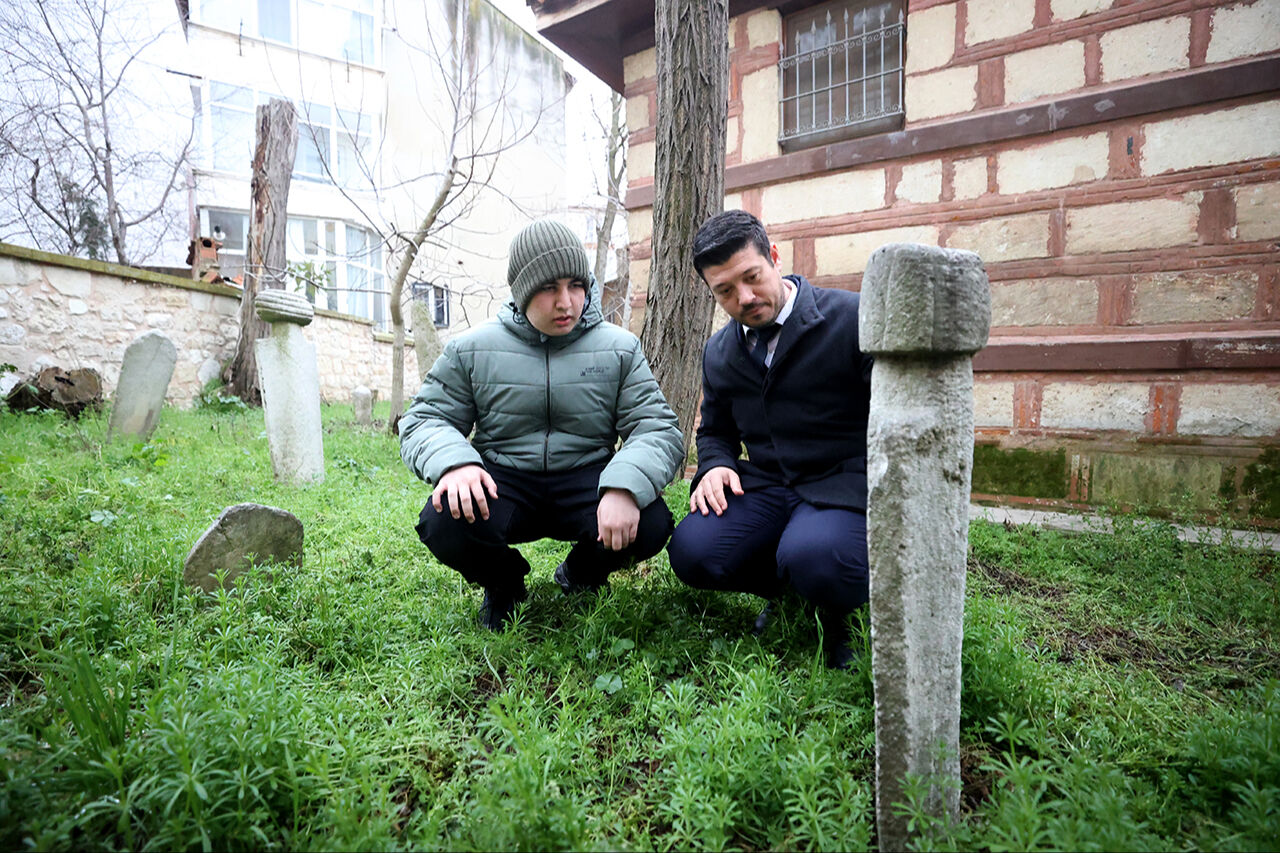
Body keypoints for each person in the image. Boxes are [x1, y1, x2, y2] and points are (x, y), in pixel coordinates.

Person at [400, 219, 683, 630]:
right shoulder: (472, 348)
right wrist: (455, 464)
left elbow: (656, 427)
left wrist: (624, 485)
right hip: (504, 480)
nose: (566, 302)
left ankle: (582, 573)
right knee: (442, 521)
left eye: (576, 285)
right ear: (523, 290)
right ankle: (505, 583)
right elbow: (424, 419)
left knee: (652, 521)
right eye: (549, 287)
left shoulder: (619, 349)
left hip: (588, 478)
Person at [666, 210, 873, 668]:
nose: (744, 297)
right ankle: (789, 591)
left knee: (818, 558)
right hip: (766, 488)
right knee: (692, 552)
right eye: (724, 291)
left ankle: (841, 612)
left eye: (752, 277)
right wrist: (715, 463)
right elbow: (715, 429)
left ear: (774, 257)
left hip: (839, 486)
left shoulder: (852, 319)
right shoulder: (720, 351)